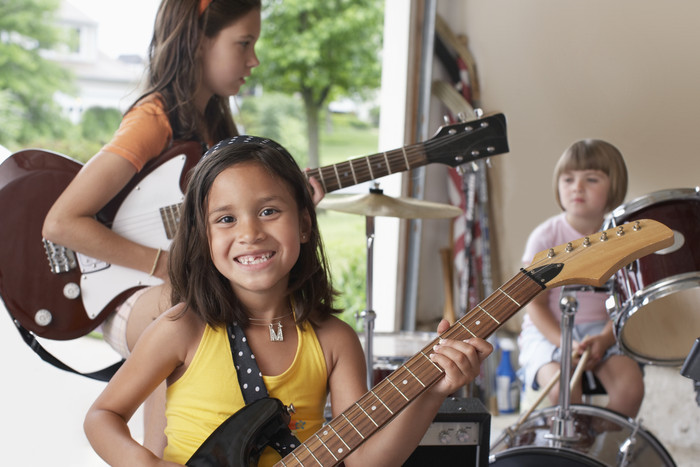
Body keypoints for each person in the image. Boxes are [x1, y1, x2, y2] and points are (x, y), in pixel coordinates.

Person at [82, 137, 493, 466]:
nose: (250, 233)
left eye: (269, 211)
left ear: (304, 224)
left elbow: (365, 462)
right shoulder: (181, 329)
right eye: (226, 219)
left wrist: (432, 394)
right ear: (204, 239)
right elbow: (102, 417)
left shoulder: (335, 341)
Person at [41, 0, 325, 454]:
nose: (254, 60)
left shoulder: (215, 124)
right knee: (182, 307)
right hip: (126, 294)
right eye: (244, 43)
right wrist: (167, 265)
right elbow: (61, 222)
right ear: (199, 40)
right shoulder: (153, 120)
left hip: (179, 284)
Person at [517, 139, 644, 419]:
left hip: (604, 331)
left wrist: (603, 339)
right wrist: (565, 343)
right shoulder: (545, 237)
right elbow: (535, 306)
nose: (577, 187)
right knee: (562, 391)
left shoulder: (623, 238)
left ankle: (593, 449)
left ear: (614, 186)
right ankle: (568, 449)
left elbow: (628, 302)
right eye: (568, 178)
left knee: (631, 390)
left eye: (591, 178)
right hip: (550, 332)